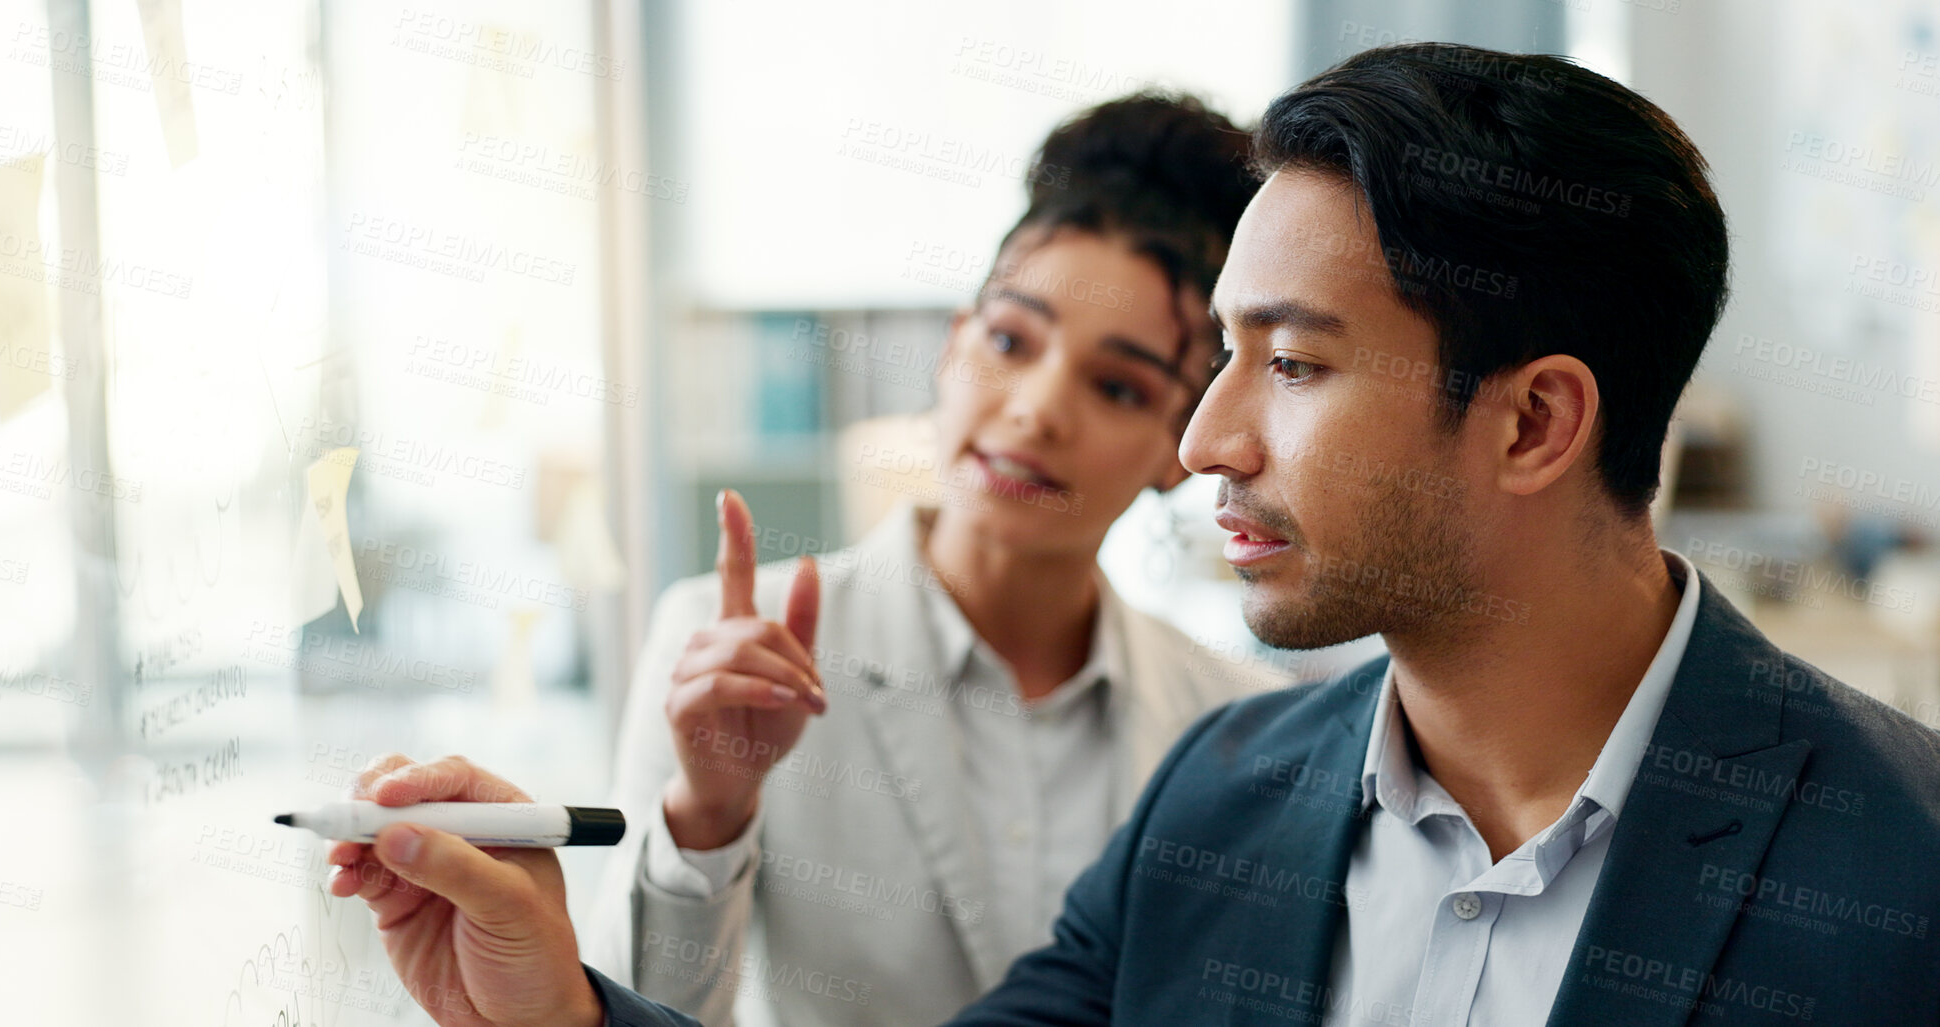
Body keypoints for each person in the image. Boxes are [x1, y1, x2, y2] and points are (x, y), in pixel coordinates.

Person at [330, 42, 1940, 1027]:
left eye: (1290, 365)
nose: (1201, 440)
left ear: (1529, 421)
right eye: (1217, 354)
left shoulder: (1899, 861)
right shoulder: (1228, 799)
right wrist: (556, 1003)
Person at [577, 92, 1269, 1026]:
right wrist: (708, 812)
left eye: (1115, 384)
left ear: (1177, 445)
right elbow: (640, 1012)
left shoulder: (1233, 726)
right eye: (1009, 340)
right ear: (950, 351)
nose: (1034, 408)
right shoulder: (729, 646)